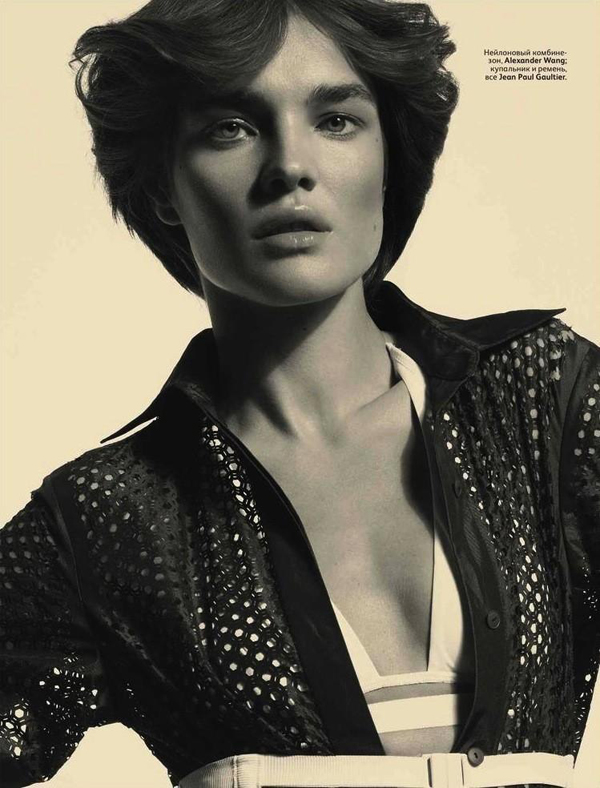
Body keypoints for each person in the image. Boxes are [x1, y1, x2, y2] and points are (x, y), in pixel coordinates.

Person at [1, 0, 598, 786]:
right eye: (230, 128)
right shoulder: (107, 516)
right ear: (163, 187)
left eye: (337, 120)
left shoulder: (546, 402)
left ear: (388, 158)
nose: (291, 166)